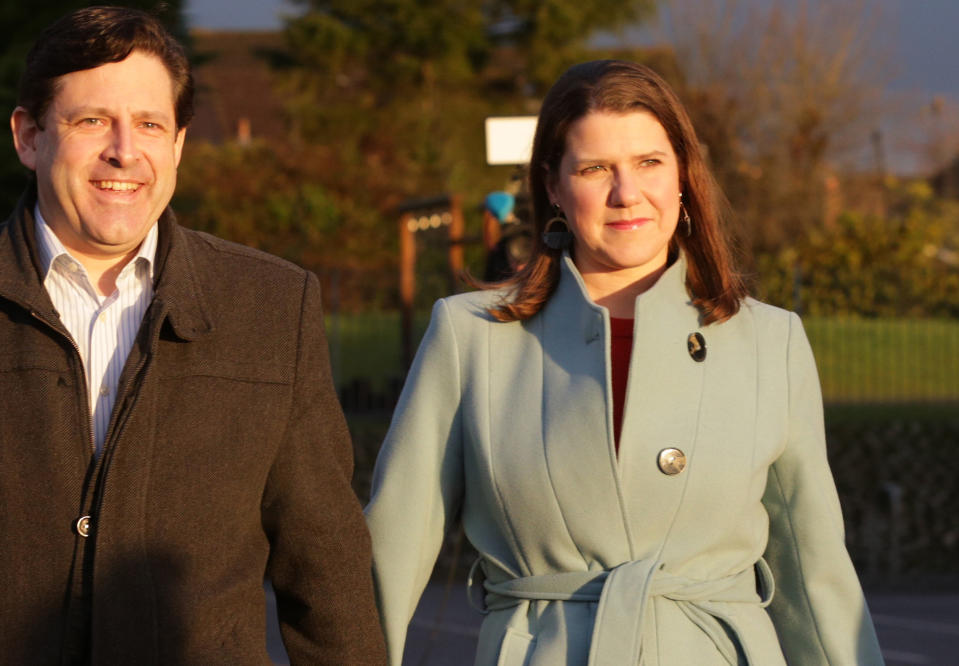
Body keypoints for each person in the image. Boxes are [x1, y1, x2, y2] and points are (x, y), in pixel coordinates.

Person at [365, 60, 883, 664]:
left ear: (683, 175)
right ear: (553, 187)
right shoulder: (471, 336)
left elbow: (813, 570)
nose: (626, 193)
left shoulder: (772, 341)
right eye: (594, 169)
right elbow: (389, 557)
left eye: (648, 162)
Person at [0, 7, 385, 664]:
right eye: (91, 121)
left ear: (178, 143)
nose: (125, 150)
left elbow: (326, 576)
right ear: (29, 136)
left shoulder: (270, 307)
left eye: (150, 125)